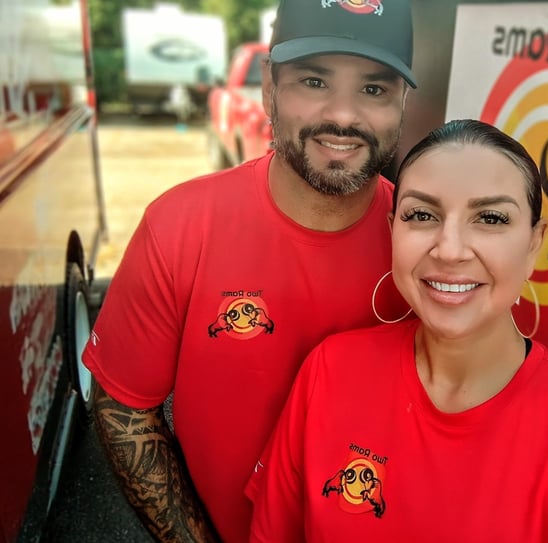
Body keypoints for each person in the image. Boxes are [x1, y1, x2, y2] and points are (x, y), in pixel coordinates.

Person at [82, 0, 417, 541]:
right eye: (314, 81)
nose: (346, 116)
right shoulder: (180, 225)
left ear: (404, 102)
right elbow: (123, 407)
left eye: (374, 89)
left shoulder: (426, 251)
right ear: (268, 87)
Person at [246, 119, 548, 542]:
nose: (449, 249)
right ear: (393, 229)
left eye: (491, 218)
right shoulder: (330, 370)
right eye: (422, 214)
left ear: (534, 242)